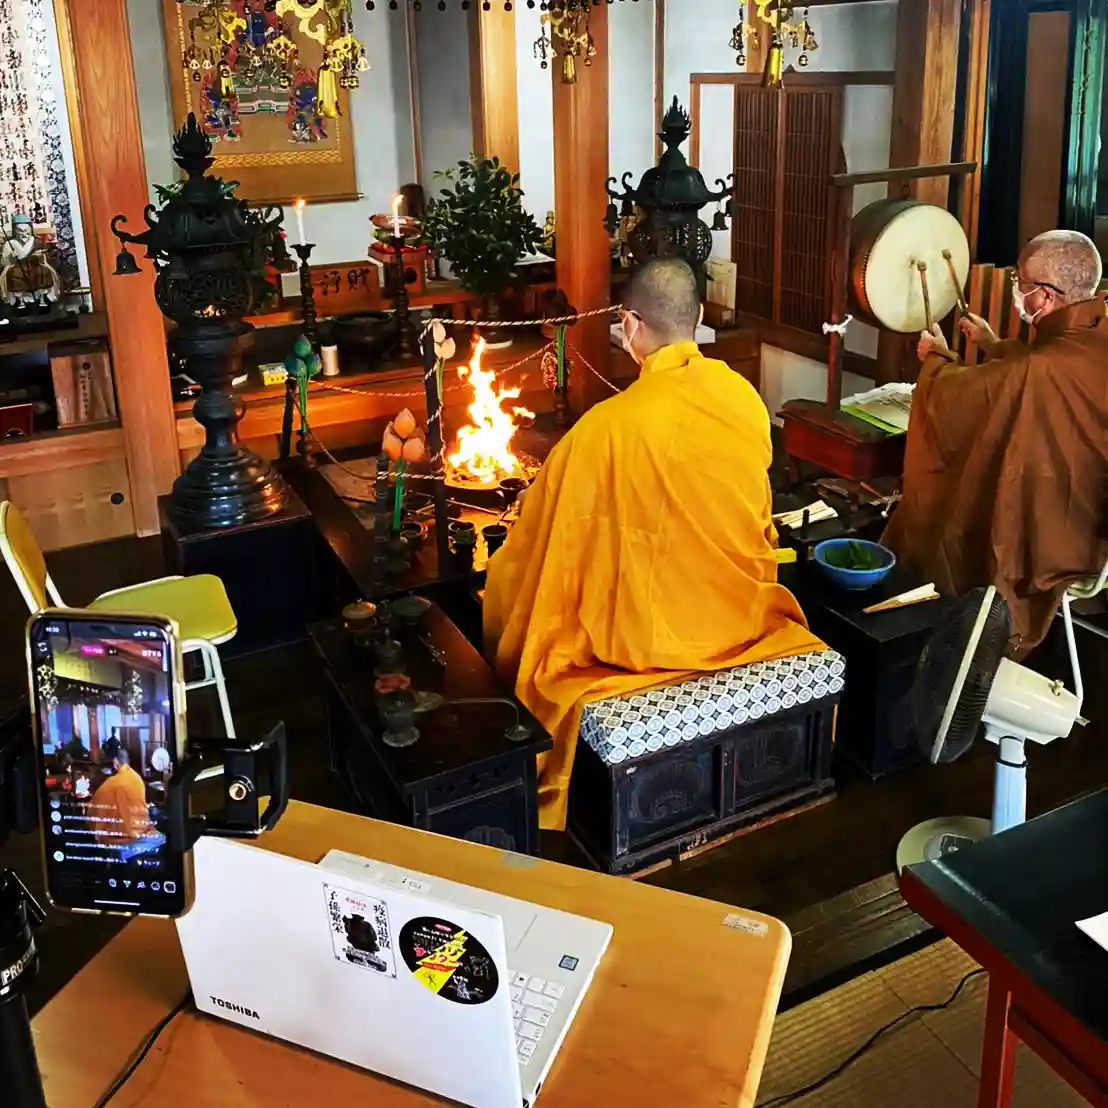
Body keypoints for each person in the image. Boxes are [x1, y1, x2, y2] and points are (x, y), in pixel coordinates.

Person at [483, 257, 823, 831]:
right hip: (740, 618)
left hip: (647, 644)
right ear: (697, 316)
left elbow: (539, 543)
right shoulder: (742, 397)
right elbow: (757, 516)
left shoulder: (606, 427)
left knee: (533, 591)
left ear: (630, 324)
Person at [884, 229, 1108, 653]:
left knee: (961, 503)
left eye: (1021, 281)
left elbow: (963, 397)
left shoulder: (1038, 371)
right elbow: (1039, 368)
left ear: (1045, 297)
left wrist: (936, 360)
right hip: (1094, 524)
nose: (1017, 290)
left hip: (1051, 539)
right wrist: (992, 345)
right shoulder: (1095, 333)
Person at [91, 745, 152, 844]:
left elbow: (96, 810)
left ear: (116, 762)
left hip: (123, 836)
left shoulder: (112, 783)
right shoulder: (137, 778)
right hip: (141, 829)